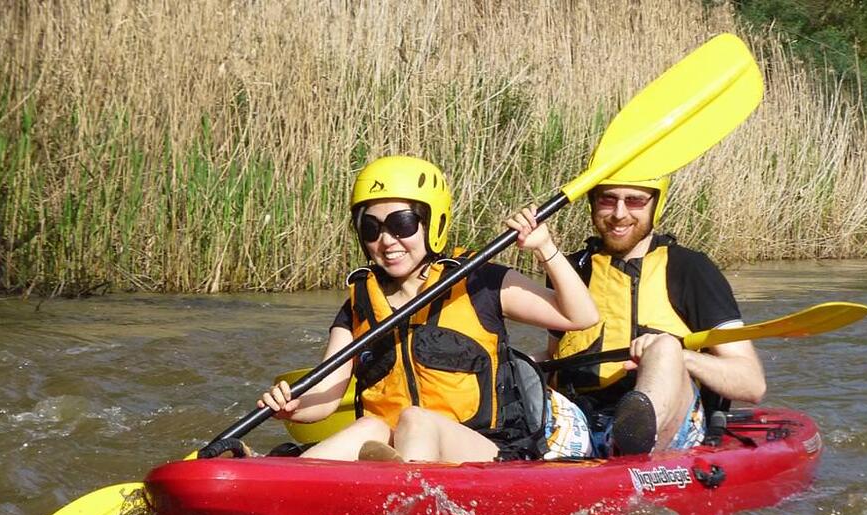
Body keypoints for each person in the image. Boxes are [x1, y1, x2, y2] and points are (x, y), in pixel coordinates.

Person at [258, 155, 599, 462]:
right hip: (396, 451)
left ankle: (399, 501)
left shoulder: (482, 282)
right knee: (369, 428)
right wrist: (292, 406)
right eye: (371, 227)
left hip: (484, 451)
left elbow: (580, 317)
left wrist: (545, 248)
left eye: (402, 224)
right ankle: (276, 492)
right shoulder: (359, 306)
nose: (387, 241)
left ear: (431, 223)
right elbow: (326, 397)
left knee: (415, 420)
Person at [540, 157, 766, 457]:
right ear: (592, 203)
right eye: (608, 199)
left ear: (655, 205)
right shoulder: (570, 271)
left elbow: (751, 383)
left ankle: (631, 437)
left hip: (671, 424)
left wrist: (675, 356)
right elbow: (554, 355)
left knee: (664, 348)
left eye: (634, 201)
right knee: (513, 363)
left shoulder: (690, 270)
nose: (619, 214)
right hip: (580, 419)